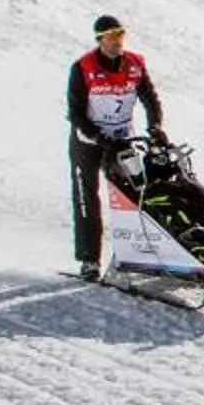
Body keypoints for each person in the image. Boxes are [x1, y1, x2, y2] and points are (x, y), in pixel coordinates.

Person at [68, 14, 166, 279]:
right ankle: (89, 261)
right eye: (111, 37)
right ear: (100, 40)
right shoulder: (83, 67)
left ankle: (145, 253)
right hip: (88, 142)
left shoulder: (134, 64)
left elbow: (150, 99)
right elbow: (75, 114)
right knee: (87, 198)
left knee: (137, 193)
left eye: (120, 35)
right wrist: (99, 137)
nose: (117, 42)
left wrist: (155, 127)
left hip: (121, 140)